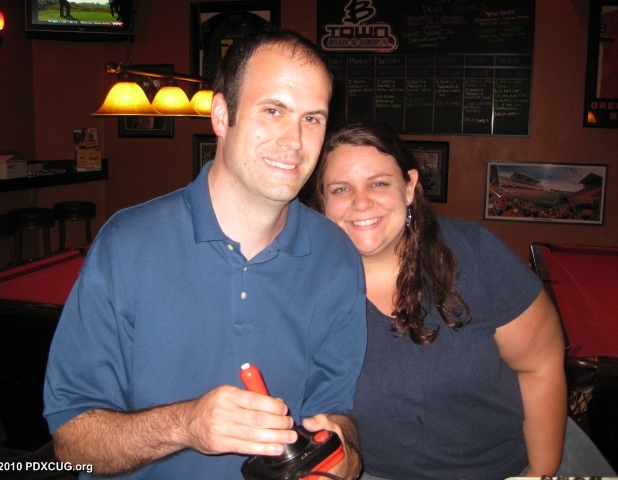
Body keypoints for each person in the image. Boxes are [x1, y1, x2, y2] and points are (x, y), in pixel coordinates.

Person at [43, 30, 366, 479]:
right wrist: (186, 425)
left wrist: (345, 458)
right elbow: (73, 441)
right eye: (273, 111)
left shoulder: (337, 255)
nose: (294, 140)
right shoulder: (127, 243)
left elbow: (337, 411)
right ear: (221, 115)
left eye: (312, 118)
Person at [315, 120, 616, 480]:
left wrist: (539, 471)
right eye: (340, 189)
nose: (361, 202)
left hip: (509, 469)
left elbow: (539, 365)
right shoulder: (306, 285)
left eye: (378, 183)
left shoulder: (474, 254)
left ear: (409, 187)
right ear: (322, 201)